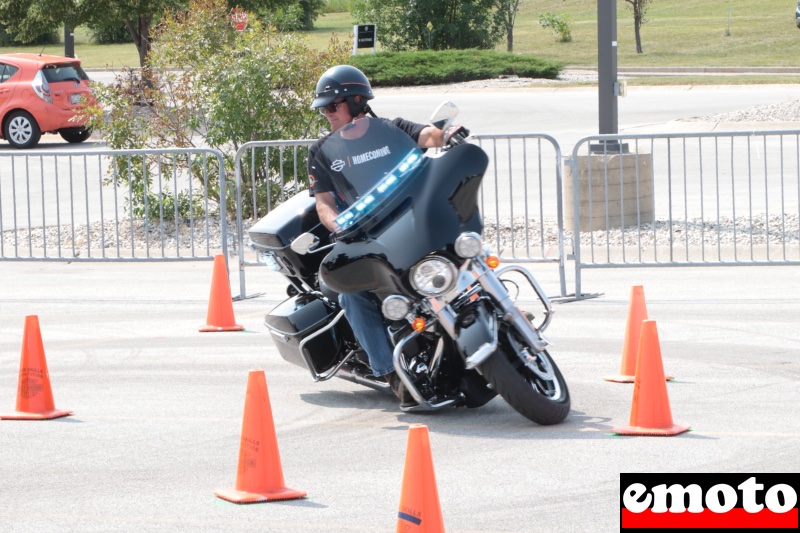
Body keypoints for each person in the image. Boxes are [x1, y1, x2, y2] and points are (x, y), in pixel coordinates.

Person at [307, 65, 467, 406]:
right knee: (351, 294)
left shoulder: (391, 129)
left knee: (463, 244)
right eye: (324, 108)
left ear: (355, 101)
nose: (327, 113)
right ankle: (394, 375)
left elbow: (428, 135)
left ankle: (496, 310)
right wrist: (338, 225)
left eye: (332, 106)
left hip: (411, 222)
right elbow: (323, 204)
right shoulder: (322, 152)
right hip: (367, 238)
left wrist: (448, 133)